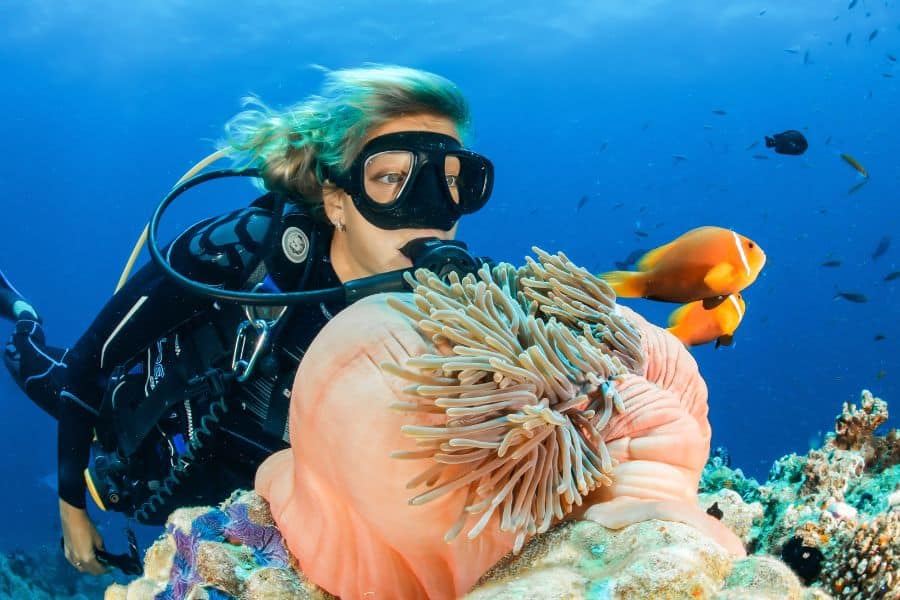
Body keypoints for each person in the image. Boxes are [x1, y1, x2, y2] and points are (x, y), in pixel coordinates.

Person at [1, 64, 495, 575]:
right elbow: (89, 361)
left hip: (251, 502)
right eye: (392, 178)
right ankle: (19, 312)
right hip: (131, 425)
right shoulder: (238, 254)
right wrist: (71, 510)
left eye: (454, 182)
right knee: (38, 367)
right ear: (336, 199)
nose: (433, 209)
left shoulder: (452, 309)